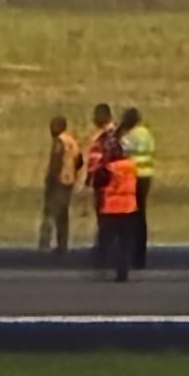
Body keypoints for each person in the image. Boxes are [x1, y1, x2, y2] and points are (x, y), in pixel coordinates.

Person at [92, 143, 139, 282]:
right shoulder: (132, 167)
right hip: (129, 208)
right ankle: (123, 271)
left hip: (111, 209)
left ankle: (103, 265)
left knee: (108, 241)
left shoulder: (108, 169)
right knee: (125, 243)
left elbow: (98, 183)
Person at [118, 107, 156, 270]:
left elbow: (120, 147)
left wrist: (119, 131)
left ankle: (132, 254)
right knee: (141, 216)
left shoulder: (132, 135)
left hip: (134, 177)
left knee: (132, 215)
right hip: (146, 176)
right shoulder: (146, 133)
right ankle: (141, 255)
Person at [38, 115, 81, 255]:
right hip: (69, 180)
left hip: (58, 181)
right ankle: (62, 243)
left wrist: (52, 177)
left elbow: (56, 161)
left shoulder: (59, 141)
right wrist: (73, 172)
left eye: (53, 126)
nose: (51, 129)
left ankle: (45, 242)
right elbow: (79, 160)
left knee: (50, 212)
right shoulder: (71, 141)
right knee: (63, 213)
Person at [83, 103, 119, 264]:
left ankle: (106, 246)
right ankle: (106, 243)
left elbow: (98, 159)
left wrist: (90, 179)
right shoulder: (112, 135)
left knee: (105, 213)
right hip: (108, 179)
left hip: (105, 179)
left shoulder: (106, 137)